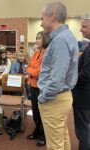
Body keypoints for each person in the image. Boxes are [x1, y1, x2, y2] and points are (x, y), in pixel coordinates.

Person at [37, 2, 79, 150]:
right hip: (62, 97)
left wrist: (43, 98)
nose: (41, 24)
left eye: (42, 19)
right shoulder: (66, 36)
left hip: (54, 99)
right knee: (62, 137)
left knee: (55, 145)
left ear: (52, 16)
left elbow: (56, 79)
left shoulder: (60, 40)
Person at [26, 31, 50, 146]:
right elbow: (28, 67)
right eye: (36, 38)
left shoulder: (47, 53)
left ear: (45, 39)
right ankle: (36, 131)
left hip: (41, 87)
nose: (37, 40)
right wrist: (31, 72)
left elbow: (39, 72)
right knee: (35, 111)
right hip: (33, 86)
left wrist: (31, 72)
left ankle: (42, 135)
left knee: (42, 112)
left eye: (39, 38)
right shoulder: (36, 53)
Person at [72, 12, 90, 150]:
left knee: (82, 132)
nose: (80, 29)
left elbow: (85, 75)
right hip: (85, 97)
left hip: (84, 98)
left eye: (83, 26)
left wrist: (69, 79)